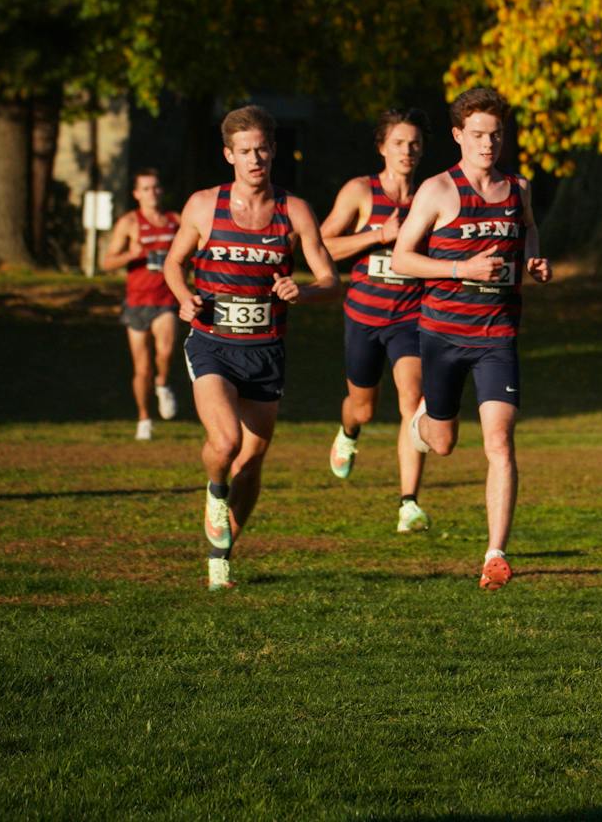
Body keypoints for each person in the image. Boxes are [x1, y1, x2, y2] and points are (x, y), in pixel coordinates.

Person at [164, 105, 339, 591]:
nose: (255, 158)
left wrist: (302, 291)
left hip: (265, 350)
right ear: (229, 155)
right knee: (227, 443)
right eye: (245, 151)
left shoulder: (295, 210)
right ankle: (214, 490)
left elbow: (330, 278)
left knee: (254, 459)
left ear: (274, 150)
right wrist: (183, 298)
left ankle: (220, 556)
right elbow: (174, 264)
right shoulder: (203, 205)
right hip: (213, 342)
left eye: (262, 148)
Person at [389, 87, 551, 591]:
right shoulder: (438, 190)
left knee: (500, 442)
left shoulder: (519, 188)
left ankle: (495, 554)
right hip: (442, 335)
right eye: (478, 135)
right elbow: (401, 259)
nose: (488, 144)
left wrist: (533, 260)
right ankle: (424, 418)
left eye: (496, 135)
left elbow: (529, 230)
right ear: (459, 135)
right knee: (442, 444)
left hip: (497, 337)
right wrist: (460, 267)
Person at [320, 108, 433, 533]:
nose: (408, 150)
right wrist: (377, 236)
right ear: (383, 147)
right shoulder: (361, 191)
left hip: (412, 318)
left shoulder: (430, 194)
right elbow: (323, 247)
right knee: (364, 409)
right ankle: (348, 430)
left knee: (413, 400)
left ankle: (409, 504)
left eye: (415, 143)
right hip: (364, 317)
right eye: (399, 143)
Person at [100, 169, 182, 440]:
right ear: (136, 194)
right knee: (142, 367)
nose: (152, 193)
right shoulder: (129, 223)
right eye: (145, 188)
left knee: (166, 351)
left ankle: (163, 383)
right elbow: (107, 262)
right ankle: (144, 417)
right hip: (136, 302)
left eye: (156, 187)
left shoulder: (175, 221)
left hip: (166, 299)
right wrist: (130, 254)